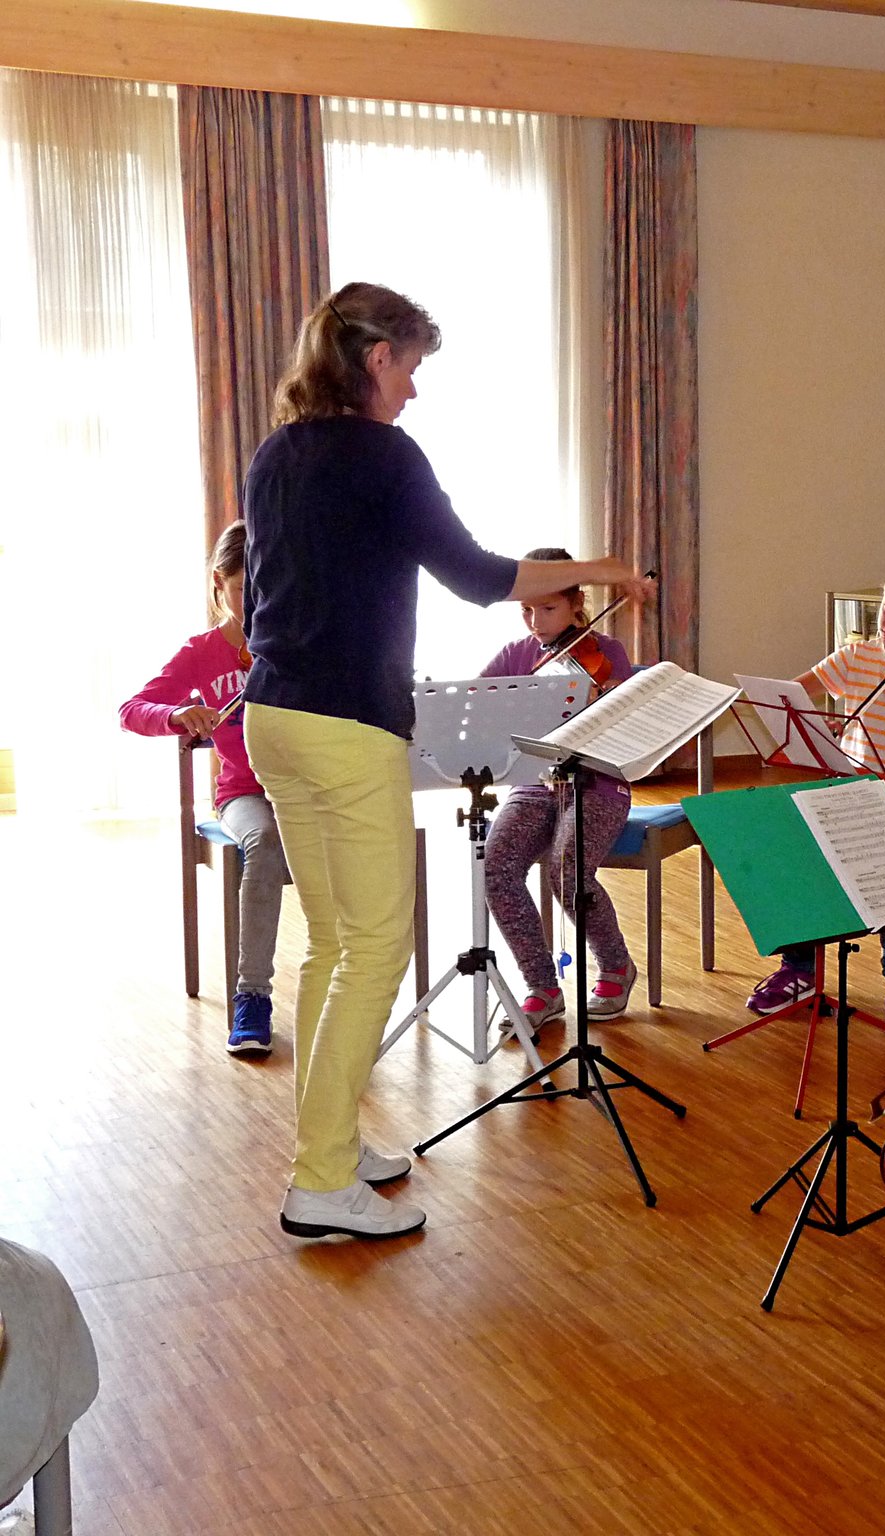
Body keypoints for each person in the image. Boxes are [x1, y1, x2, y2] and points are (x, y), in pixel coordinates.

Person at [242, 280, 656, 1242]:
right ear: (376, 357)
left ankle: (332, 1153)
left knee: (335, 942)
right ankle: (317, 1182)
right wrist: (595, 571)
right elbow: (479, 577)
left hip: (275, 717)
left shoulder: (275, 455)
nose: (414, 392)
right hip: (345, 723)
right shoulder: (383, 455)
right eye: (412, 368)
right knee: (376, 945)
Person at [745, 557, 885, 1034]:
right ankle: (799, 968)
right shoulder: (857, 658)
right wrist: (815, 725)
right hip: (851, 788)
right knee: (798, 846)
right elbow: (791, 697)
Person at [120, 521, 284, 1056]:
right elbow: (133, 709)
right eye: (243, 590)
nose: (257, 602)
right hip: (245, 793)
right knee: (263, 842)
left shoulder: (297, 641)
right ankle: (252, 997)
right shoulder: (202, 651)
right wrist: (177, 714)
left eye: (266, 587)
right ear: (219, 583)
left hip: (309, 786)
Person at [480, 551, 638, 1032]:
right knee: (498, 865)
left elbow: (624, 726)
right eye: (526, 610)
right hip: (536, 780)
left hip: (598, 781)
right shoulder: (516, 655)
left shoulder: (606, 653)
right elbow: (476, 704)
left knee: (567, 868)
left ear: (576, 603)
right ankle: (542, 987)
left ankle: (615, 966)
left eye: (547, 609)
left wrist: (599, 701)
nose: (535, 621)